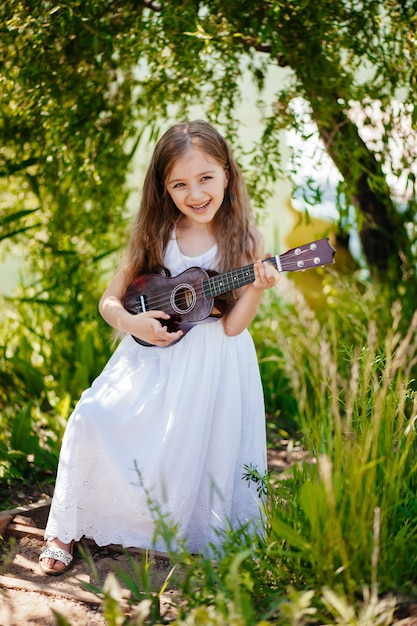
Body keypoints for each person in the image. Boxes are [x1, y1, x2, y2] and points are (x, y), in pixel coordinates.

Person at [39, 119, 281, 575]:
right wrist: (134, 322)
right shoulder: (156, 234)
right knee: (91, 417)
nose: (196, 193)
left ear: (228, 173)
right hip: (150, 356)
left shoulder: (246, 240)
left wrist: (257, 287)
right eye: (180, 184)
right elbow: (109, 301)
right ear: (164, 189)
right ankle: (64, 528)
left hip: (213, 364)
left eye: (206, 178)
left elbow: (232, 329)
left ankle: (186, 531)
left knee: (194, 452)